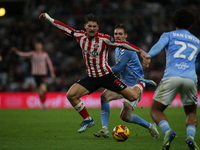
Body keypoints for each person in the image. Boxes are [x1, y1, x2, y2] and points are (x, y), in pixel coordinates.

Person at [39, 13, 156, 133]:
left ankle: (142, 83)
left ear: (98, 27)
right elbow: (65, 28)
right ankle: (88, 120)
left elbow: (123, 44)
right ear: (85, 26)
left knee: (133, 96)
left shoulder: (104, 39)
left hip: (107, 77)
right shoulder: (80, 36)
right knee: (71, 95)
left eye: (94, 26)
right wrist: (49, 18)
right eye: (89, 26)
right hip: (92, 78)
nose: (92, 28)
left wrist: (140, 51)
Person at [143, 8, 199, 150]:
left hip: (172, 76)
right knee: (191, 112)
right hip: (191, 79)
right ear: (191, 24)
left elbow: (159, 46)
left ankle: (168, 131)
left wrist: (149, 55)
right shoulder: (197, 41)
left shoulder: (169, 35)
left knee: (155, 110)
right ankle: (190, 137)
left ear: (174, 22)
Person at [93, 23, 159, 139]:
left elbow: (117, 68)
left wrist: (100, 71)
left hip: (135, 84)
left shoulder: (127, 49)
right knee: (104, 96)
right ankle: (104, 128)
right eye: (115, 34)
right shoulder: (117, 49)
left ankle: (150, 126)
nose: (117, 36)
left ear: (126, 36)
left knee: (125, 116)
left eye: (120, 34)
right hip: (123, 83)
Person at [11, 42, 56, 109]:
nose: (38, 46)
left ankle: (44, 104)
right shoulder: (33, 54)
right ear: (35, 46)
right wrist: (16, 51)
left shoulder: (45, 54)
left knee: (43, 88)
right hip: (35, 74)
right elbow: (23, 54)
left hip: (43, 74)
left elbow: (49, 64)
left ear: (41, 46)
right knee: (40, 91)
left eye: (39, 45)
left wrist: (52, 73)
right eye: (37, 45)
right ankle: (43, 104)